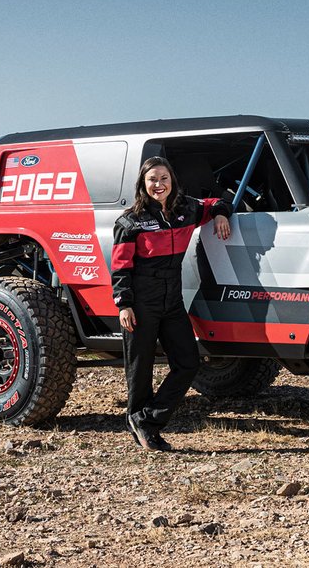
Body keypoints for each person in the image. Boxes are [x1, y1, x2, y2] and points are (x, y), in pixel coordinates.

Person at [111, 156, 232, 451]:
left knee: (188, 363)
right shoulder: (131, 221)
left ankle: (148, 420)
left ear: (172, 180)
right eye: (152, 179)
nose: (159, 184)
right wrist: (123, 304)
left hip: (172, 299)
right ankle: (142, 425)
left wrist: (221, 214)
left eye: (164, 178)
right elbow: (120, 266)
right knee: (140, 369)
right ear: (143, 184)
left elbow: (217, 201)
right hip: (141, 300)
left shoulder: (186, 209)